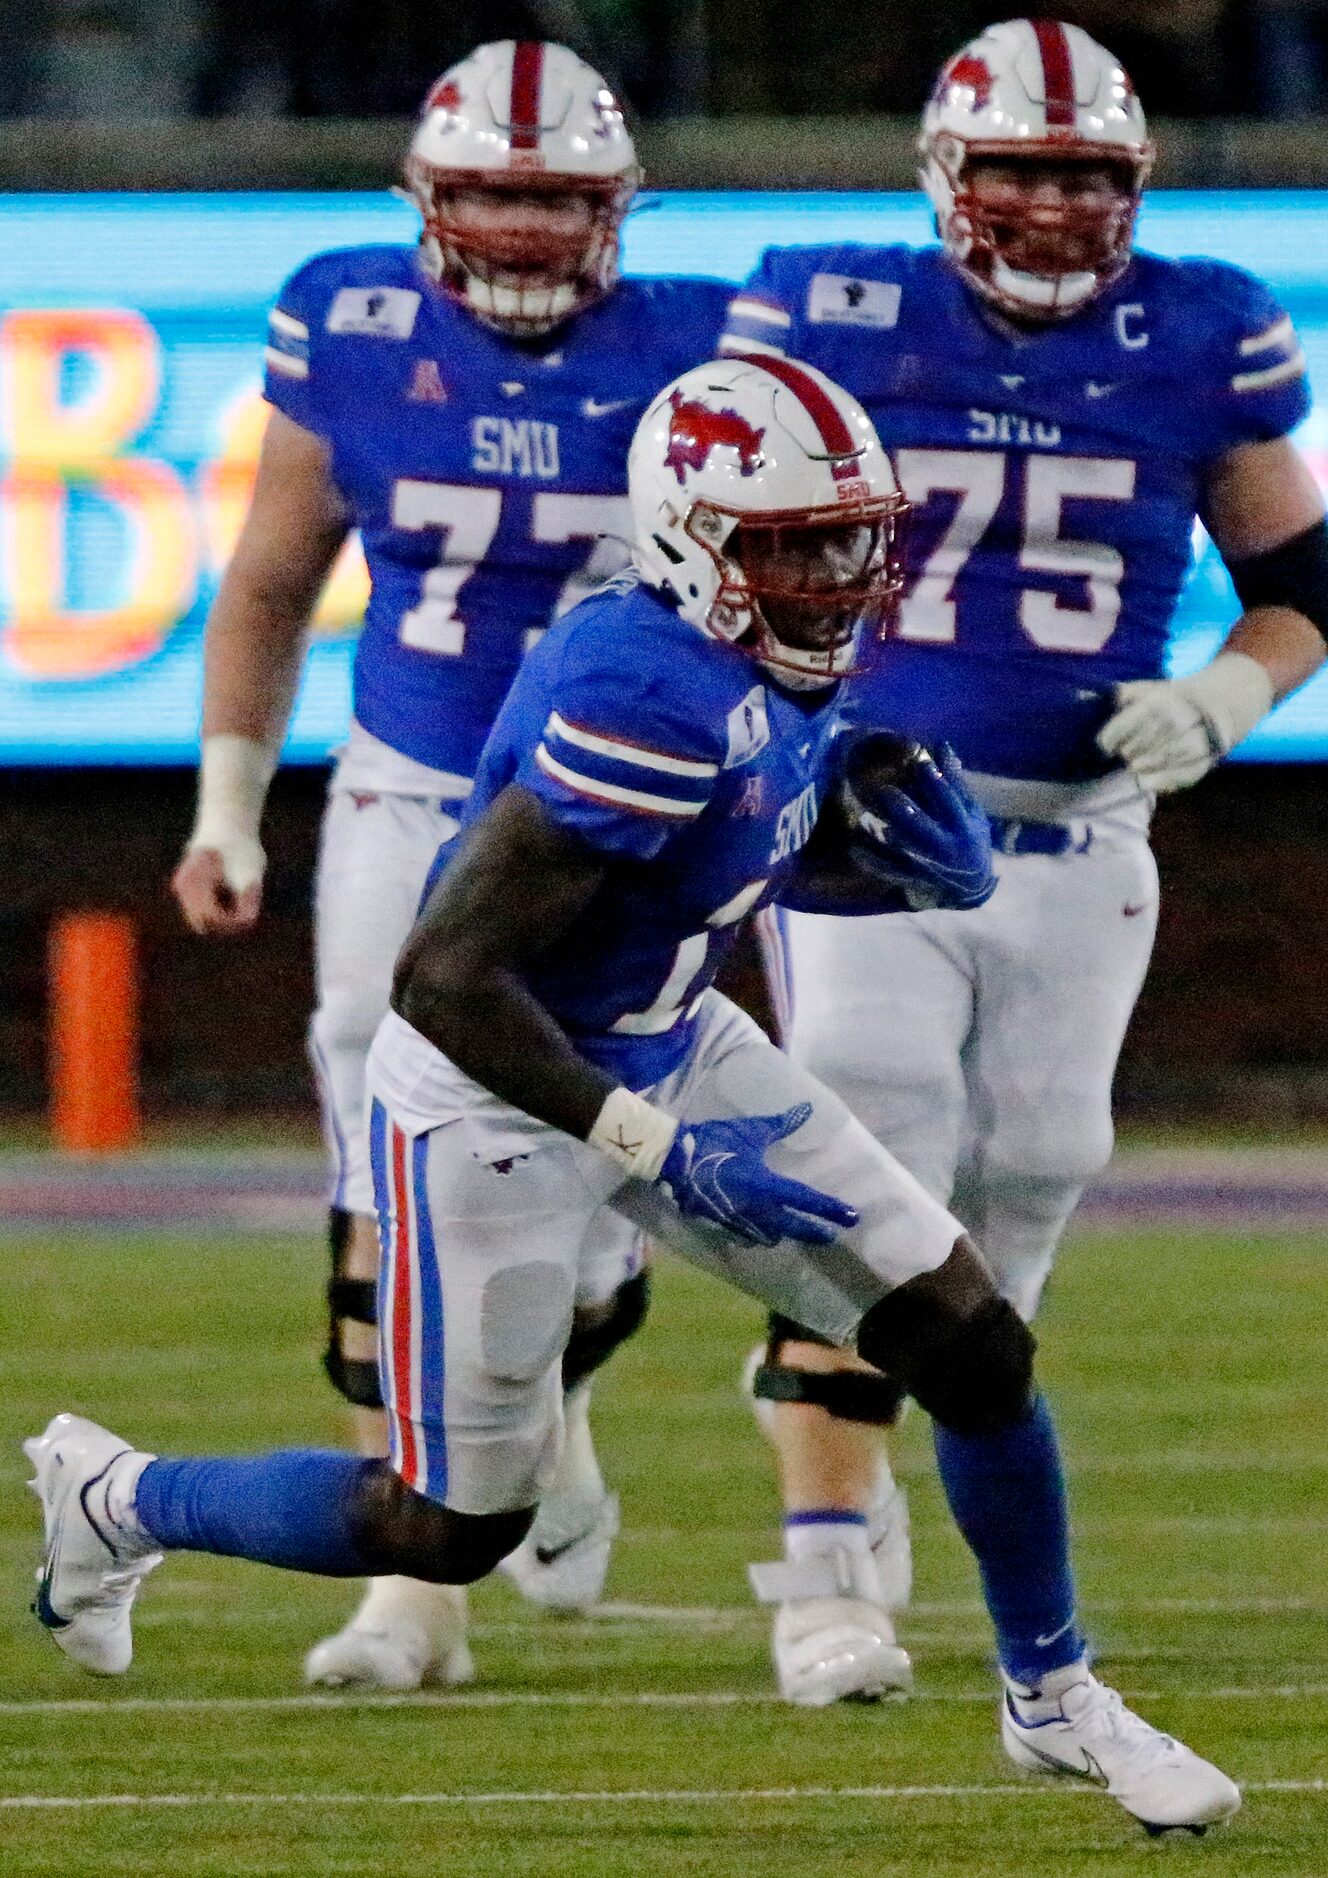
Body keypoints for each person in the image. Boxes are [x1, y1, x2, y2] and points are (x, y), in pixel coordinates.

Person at [30, 355, 1240, 1835]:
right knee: (454, 1521)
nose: (839, 572)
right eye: (796, 544)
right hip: (497, 1095)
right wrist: (653, 1147)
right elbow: (449, 976)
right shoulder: (643, 691)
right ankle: (119, 1498)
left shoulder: (763, 663)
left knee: (973, 1340)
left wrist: (884, 868)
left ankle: (1053, 1696)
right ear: (693, 541)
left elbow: (709, 863)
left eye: (852, 533)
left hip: (666, 1038)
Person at [719, 15, 1328, 1708]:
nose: (1055, 205)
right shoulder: (830, 306)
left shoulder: (1203, 328)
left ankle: (896, 1402)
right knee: (869, 1123)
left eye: (1085, 173)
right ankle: (825, 1564)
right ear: (945, 176)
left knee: (1043, 1159)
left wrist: (1229, 687)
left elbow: (1308, 580)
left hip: (1080, 828)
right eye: (1021, 169)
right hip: (867, 810)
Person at [169, 38, 732, 1690]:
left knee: (603, 1160)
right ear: (424, 197)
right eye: (489, 190)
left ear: (616, 206)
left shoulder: (701, 347)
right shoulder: (346, 318)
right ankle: (414, 1585)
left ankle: (551, 1399)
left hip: (612, 804)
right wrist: (226, 805)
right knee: (373, 1094)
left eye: (554, 197)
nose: (520, 227)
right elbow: (272, 581)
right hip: (414, 780)